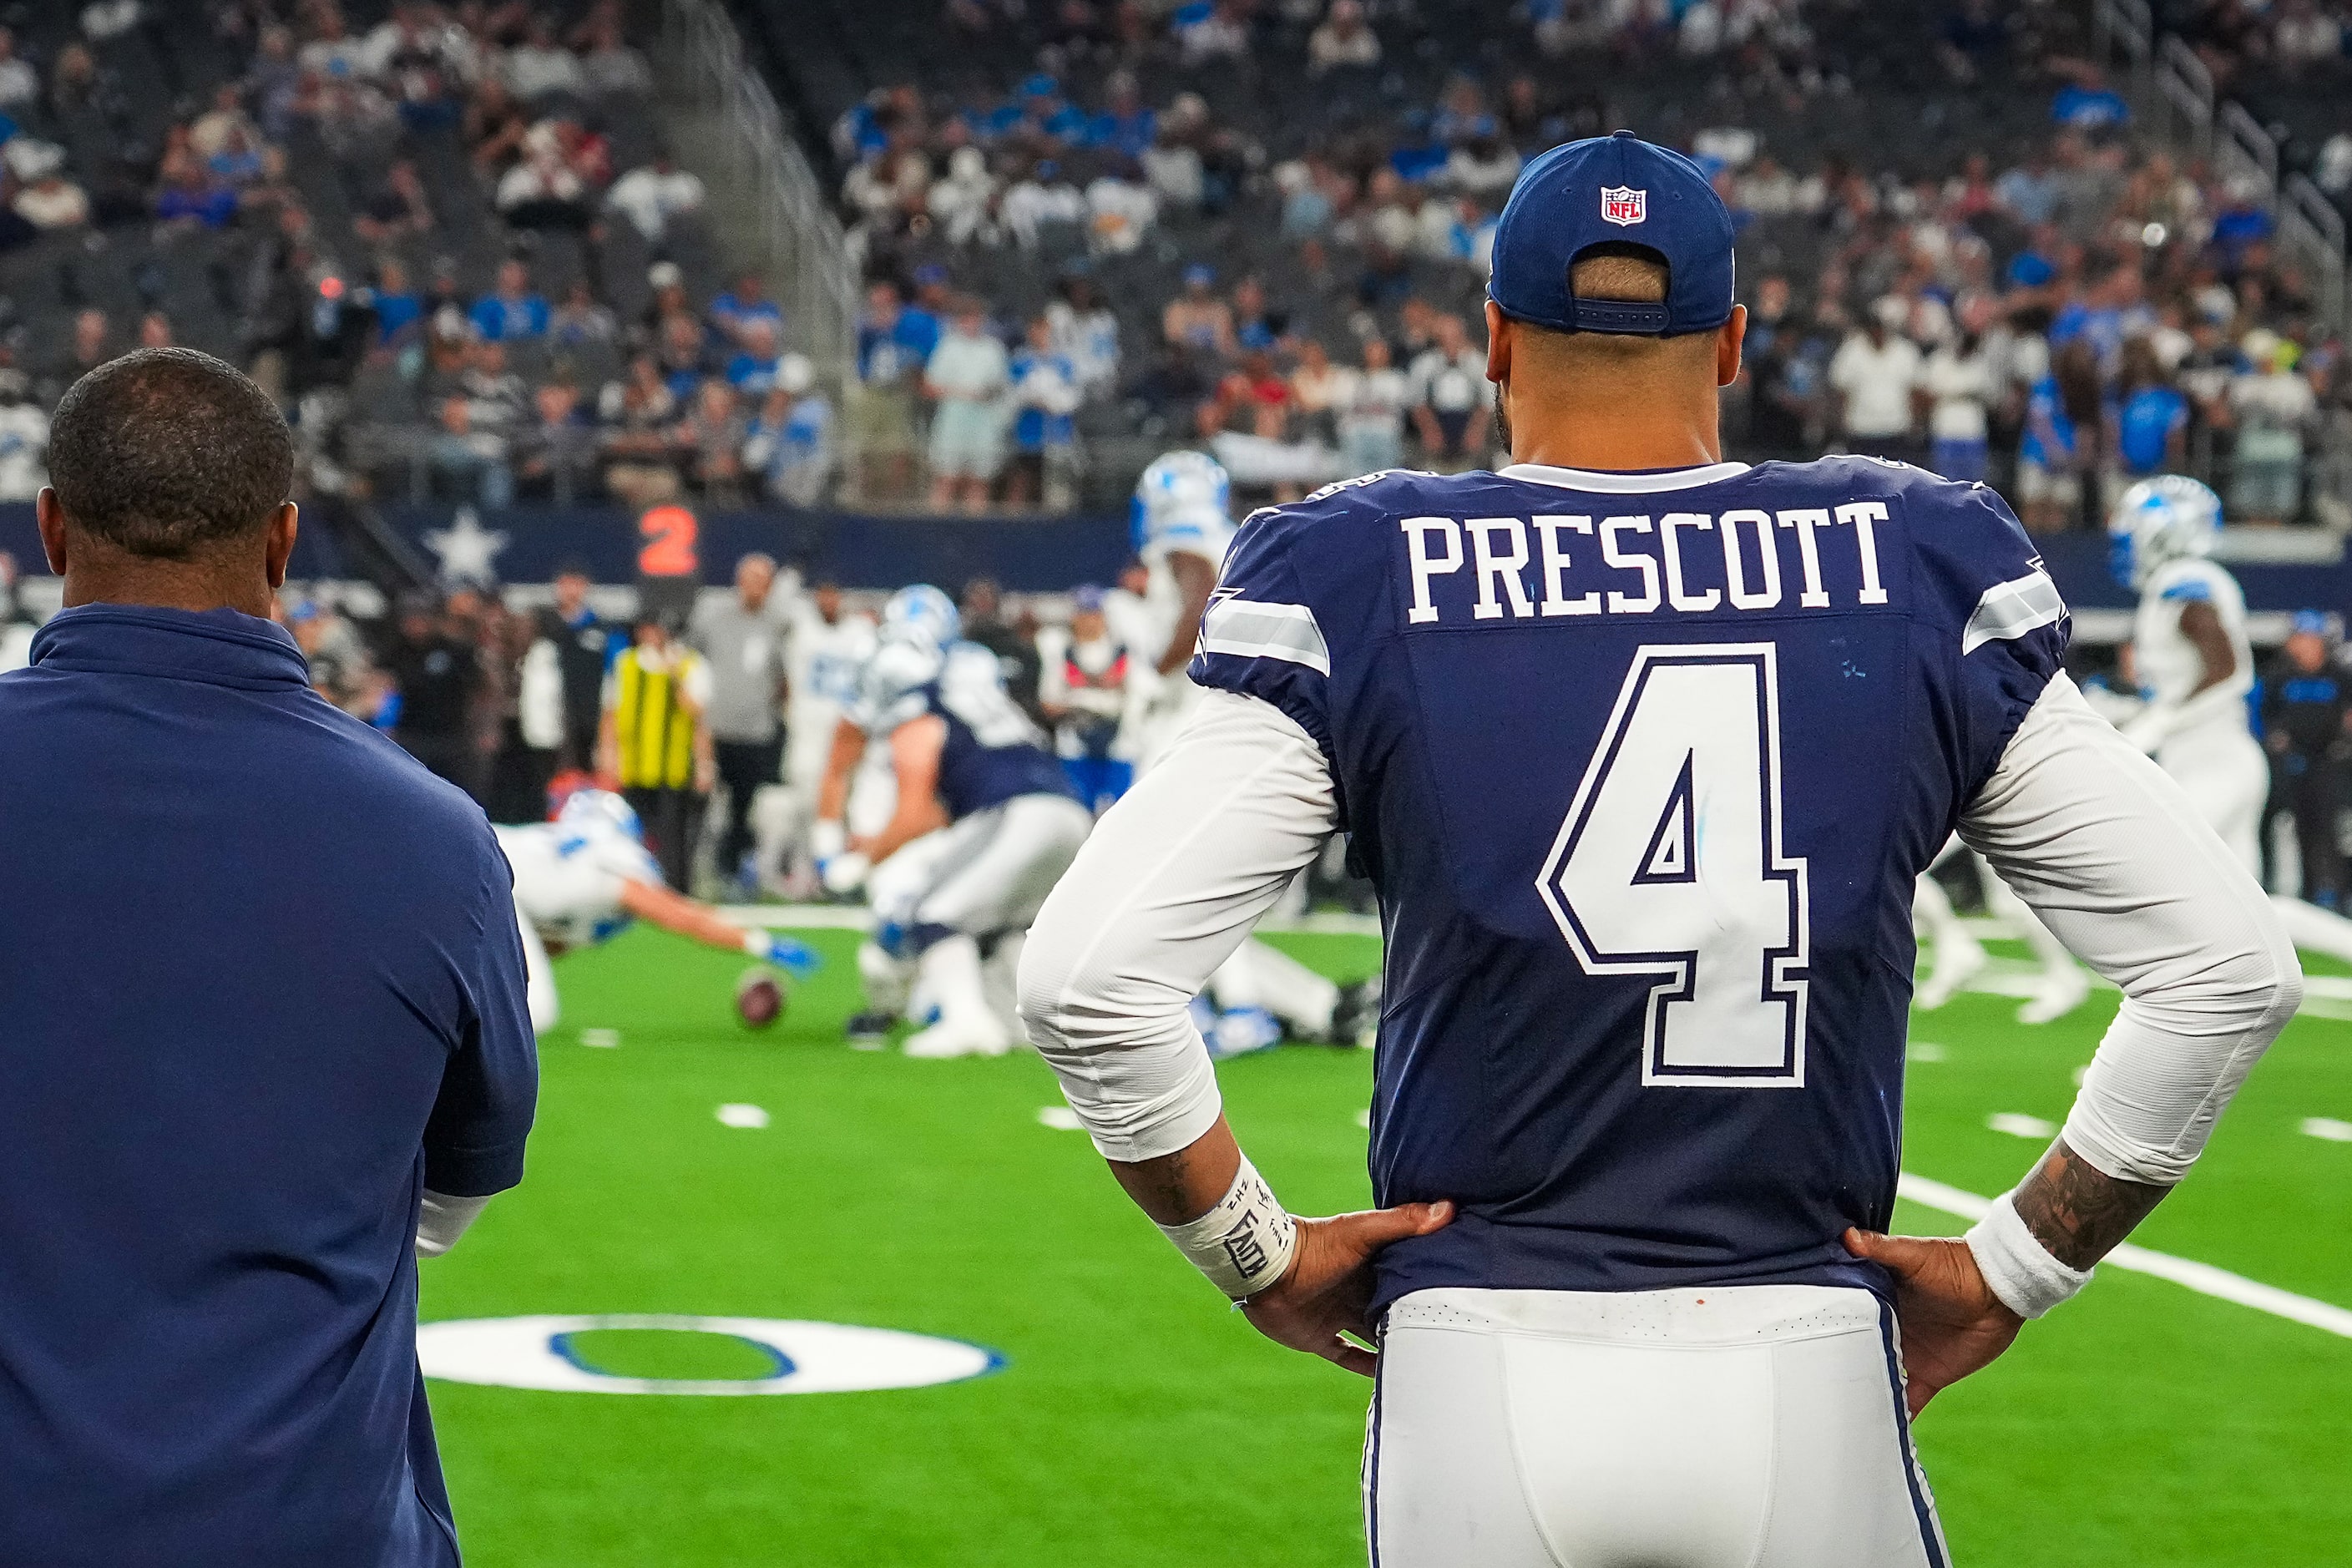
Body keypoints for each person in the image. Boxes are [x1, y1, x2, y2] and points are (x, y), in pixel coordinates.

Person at [1017, 134, 2301, 1565]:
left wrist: (1255, 1254)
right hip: (1804, 1344)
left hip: (1476, 1350)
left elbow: (1086, 981)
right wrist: (2016, 1262)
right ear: (1733, 341)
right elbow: (2225, 968)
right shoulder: (1915, 556)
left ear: (1493, 342)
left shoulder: (1359, 565)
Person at [0, 346, 538, 1564]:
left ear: (51, 529)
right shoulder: (435, 838)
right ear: (286, 542)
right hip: (305, 1525)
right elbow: (460, 1185)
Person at [815, 586, 1094, 1058]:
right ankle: (1033, 1029)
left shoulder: (919, 707)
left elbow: (917, 810)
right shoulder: (974, 685)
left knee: (927, 913)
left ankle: (965, 1023)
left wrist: (860, 861)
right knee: (1009, 927)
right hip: (1066, 809)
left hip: (1017, 813)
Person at [2106, 476, 2352, 962]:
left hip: (2213, 759)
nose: (2128, 540)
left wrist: (2157, 724)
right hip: (2211, 757)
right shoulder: (2176, 584)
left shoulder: (2182, 583)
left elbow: (2229, 671)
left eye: (2135, 529)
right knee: (2248, 912)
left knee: (2155, 874)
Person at [496, 786, 815, 1034]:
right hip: (499, 891)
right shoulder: (620, 856)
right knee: (537, 1013)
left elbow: (540, 945)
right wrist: (761, 943)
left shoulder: (567, 849)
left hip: (490, 879)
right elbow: (681, 917)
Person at [690, 553, 790, 897]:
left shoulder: (777, 625)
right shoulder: (714, 619)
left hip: (755, 731)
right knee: (702, 805)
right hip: (715, 729)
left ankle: (732, 872)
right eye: (749, 578)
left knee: (743, 808)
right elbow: (692, 664)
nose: (755, 587)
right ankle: (695, 870)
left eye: (762, 580)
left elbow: (782, 677)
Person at [599, 609, 715, 891]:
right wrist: (607, 756)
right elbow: (611, 714)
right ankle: (636, 889)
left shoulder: (689, 665)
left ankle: (674, 891)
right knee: (633, 832)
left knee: (673, 835)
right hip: (634, 765)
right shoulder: (625, 664)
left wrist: (704, 764)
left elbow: (698, 715)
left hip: (673, 765)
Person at [2262, 611, 2350, 908]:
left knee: (2332, 831)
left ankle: (2339, 896)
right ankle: (2308, 895)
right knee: (2300, 831)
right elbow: (2268, 716)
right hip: (2295, 764)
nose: (2301, 645)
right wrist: (2278, 739)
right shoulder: (2281, 676)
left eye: (2307, 639)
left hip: (2331, 762)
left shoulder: (2339, 675)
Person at [1036, 584, 1134, 812]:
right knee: (1079, 812)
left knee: (1120, 814)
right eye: (1083, 613)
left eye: (1094, 613)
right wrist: (1081, 706)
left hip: (1119, 747)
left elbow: (1136, 695)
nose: (1089, 620)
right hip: (1076, 748)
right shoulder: (1061, 651)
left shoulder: (1123, 651)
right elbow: (1048, 703)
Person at [540, 561, 614, 771]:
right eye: (566, 584)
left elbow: (613, 675)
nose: (571, 590)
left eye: (577, 584)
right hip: (548, 716)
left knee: (582, 772)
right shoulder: (542, 624)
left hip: (588, 717)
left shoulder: (601, 628)